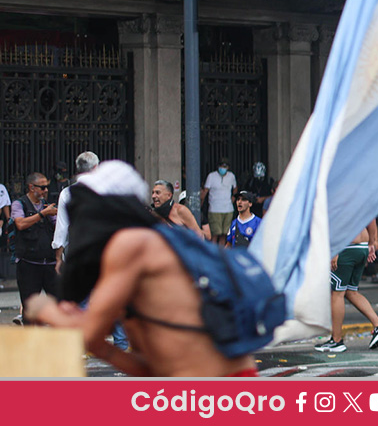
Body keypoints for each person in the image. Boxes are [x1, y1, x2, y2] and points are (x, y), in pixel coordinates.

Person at [26, 161, 257, 376]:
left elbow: (87, 329)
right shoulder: (141, 243)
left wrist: (42, 309)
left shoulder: (133, 245)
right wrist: (102, 348)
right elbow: (153, 368)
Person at [315, 220, 378, 353]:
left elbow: (336, 221)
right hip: (362, 246)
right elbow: (371, 217)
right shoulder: (358, 198)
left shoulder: (337, 198)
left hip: (346, 247)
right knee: (350, 292)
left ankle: (336, 340)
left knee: (337, 293)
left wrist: (335, 250)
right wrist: (372, 243)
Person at [13, 172, 58, 324]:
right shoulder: (19, 204)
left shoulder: (48, 205)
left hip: (50, 263)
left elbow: (58, 226)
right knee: (29, 309)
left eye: (47, 187)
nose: (46, 190)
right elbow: (20, 223)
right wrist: (43, 214)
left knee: (59, 304)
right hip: (29, 264)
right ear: (32, 187)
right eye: (42, 187)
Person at [51, 151, 99, 261]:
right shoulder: (109, 191)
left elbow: (62, 228)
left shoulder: (67, 193)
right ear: (96, 167)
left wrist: (58, 257)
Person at [200, 158, 238, 245]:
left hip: (228, 209)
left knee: (224, 234)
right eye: (221, 166)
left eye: (225, 166)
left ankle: (221, 253)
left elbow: (235, 188)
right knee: (215, 234)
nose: (223, 168)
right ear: (218, 166)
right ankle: (213, 253)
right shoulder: (211, 176)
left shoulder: (231, 176)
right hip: (214, 209)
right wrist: (201, 204)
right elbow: (205, 191)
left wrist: (233, 198)